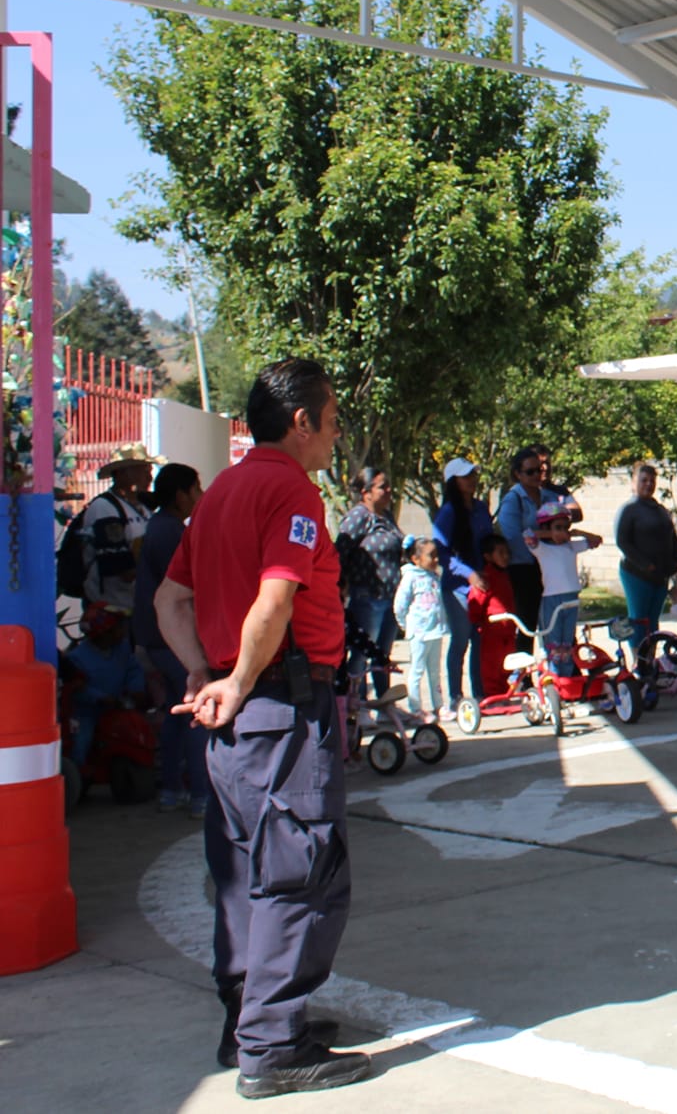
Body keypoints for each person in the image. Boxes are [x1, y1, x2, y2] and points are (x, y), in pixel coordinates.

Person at [155, 357, 371, 1097]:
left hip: (235, 719)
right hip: (280, 706)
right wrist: (241, 679)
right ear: (301, 421)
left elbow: (168, 598)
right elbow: (276, 597)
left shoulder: (219, 493)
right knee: (299, 871)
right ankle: (273, 1047)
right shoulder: (290, 489)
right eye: (333, 419)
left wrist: (202, 672)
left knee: (242, 872)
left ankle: (247, 1020)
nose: (336, 433)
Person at [132, 462, 207, 817]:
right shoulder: (171, 533)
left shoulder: (162, 527)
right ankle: (200, 794)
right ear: (181, 496)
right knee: (194, 712)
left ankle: (172, 791)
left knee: (177, 714)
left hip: (155, 638)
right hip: (171, 640)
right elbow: (184, 591)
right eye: (197, 489)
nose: (201, 496)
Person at [334, 466, 404, 696]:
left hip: (390, 597)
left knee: (382, 653)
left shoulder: (387, 516)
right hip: (367, 598)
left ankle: (384, 702)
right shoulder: (358, 517)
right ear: (366, 491)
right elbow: (340, 552)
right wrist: (340, 585)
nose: (388, 490)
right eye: (382, 486)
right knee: (361, 653)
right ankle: (357, 703)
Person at [433, 457, 493, 709]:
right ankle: (455, 697)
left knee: (480, 641)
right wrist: (468, 574)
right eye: (465, 476)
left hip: (483, 584)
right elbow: (442, 552)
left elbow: (489, 542)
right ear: (453, 482)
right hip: (457, 588)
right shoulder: (447, 513)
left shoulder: (481, 508)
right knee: (460, 641)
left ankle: (480, 694)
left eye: (473, 474)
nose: (471, 480)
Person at [80, 440, 158, 614]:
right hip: (112, 611)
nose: (149, 477)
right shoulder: (104, 507)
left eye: (149, 471)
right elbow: (119, 568)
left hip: (138, 606)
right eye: (142, 471)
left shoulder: (143, 509)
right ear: (122, 474)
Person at [61, 602, 144, 762]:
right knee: (81, 741)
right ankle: (79, 774)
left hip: (119, 706)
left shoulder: (123, 650)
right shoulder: (77, 658)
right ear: (102, 632)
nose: (123, 632)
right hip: (88, 712)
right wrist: (99, 697)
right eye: (118, 628)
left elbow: (134, 670)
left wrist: (136, 688)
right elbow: (77, 688)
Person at [615, 460, 677, 653]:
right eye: (643, 480)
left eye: (652, 481)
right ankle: (638, 662)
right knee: (639, 619)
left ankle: (650, 661)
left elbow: (672, 536)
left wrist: (676, 561)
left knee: (652, 620)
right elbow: (623, 541)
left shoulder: (660, 510)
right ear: (634, 482)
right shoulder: (629, 509)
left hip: (661, 575)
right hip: (637, 574)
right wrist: (645, 565)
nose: (648, 484)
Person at [532, 502, 599, 676]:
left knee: (566, 644)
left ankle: (567, 677)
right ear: (547, 527)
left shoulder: (570, 546)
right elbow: (527, 535)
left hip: (571, 598)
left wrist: (577, 533)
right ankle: (552, 678)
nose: (563, 532)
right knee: (553, 643)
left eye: (565, 527)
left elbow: (596, 540)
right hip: (551, 599)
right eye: (558, 527)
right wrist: (551, 534)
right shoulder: (542, 548)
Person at [391, 537, 452, 720]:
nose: (435, 560)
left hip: (436, 631)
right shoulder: (409, 577)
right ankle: (415, 707)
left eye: (436, 556)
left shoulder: (434, 576)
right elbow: (400, 605)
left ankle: (439, 705)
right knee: (417, 670)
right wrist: (405, 625)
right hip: (419, 633)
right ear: (415, 558)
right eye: (430, 556)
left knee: (435, 670)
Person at [494, 446, 553, 630]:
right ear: (518, 474)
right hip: (521, 569)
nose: (536, 475)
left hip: (547, 567)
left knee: (551, 621)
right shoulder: (513, 499)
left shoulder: (546, 497)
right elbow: (513, 537)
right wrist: (538, 552)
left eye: (539, 470)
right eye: (530, 471)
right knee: (526, 625)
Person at [466, 534, 519, 700]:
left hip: (508, 632)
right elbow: (475, 603)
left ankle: (504, 695)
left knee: (506, 666)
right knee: (491, 668)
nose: (506, 556)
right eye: (500, 552)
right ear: (488, 556)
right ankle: (493, 698)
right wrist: (478, 621)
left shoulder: (505, 575)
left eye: (507, 552)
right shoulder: (485, 578)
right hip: (492, 633)